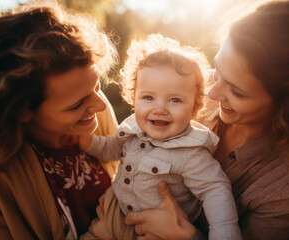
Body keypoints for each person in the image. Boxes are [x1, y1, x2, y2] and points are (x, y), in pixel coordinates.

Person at [124, 0, 289, 239]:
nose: (211, 93)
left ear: (288, 104)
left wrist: (186, 236)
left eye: (237, 92)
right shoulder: (194, 88)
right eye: (218, 70)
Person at [0, 1, 119, 239]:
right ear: (22, 111)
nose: (100, 104)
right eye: (76, 104)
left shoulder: (96, 112)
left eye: (97, 86)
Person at [79, 33, 242, 240]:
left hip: (158, 230)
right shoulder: (133, 127)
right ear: (134, 98)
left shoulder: (190, 152)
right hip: (114, 213)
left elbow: (214, 190)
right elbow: (114, 147)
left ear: (195, 108)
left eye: (174, 100)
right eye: (148, 97)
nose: (159, 109)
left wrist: (224, 232)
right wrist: (91, 143)